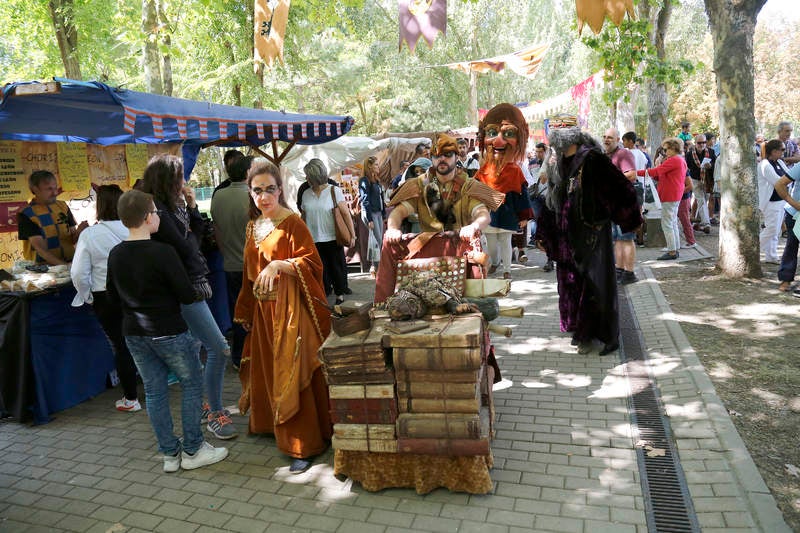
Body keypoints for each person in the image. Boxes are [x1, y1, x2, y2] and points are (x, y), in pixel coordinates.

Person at [106, 189, 229, 473]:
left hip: (134, 333)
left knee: (154, 391)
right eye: (157, 213)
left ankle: (169, 454)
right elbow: (186, 294)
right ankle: (194, 448)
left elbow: (111, 296)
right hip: (169, 331)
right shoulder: (163, 252)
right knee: (191, 385)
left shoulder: (116, 253)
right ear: (149, 218)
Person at [234, 159, 332, 473]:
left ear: (280, 190)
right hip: (264, 314)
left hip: (291, 312)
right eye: (257, 190)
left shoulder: (292, 222)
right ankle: (269, 424)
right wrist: (247, 307)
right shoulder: (252, 225)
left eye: (270, 190)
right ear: (250, 192)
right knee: (269, 370)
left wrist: (279, 265)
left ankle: (302, 443)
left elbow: (313, 264)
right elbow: (249, 275)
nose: (264, 197)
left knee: (292, 370)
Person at [140, 154, 237, 440]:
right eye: (181, 176)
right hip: (182, 292)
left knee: (197, 351)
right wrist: (192, 219)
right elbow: (187, 246)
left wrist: (192, 210)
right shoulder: (159, 211)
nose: (186, 181)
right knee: (219, 349)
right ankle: (214, 412)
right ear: (168, 180)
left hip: (189, 287)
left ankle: (208, 407)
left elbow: (194, 241)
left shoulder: (172, 207)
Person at [535, 113, 642, 356]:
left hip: (591, 234)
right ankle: (581, 331)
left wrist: (630, 219)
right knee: (571, 285)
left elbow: (621, 189)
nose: (557, 138)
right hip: (566, 236)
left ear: (572, 135)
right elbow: (553, 200)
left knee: (597, 287)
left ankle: (606, 337)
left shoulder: (592, 159)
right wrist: (544, 232)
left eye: (561, 133)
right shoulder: (558, 161)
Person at [378, 133, 505, 303]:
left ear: (456, 156)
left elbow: (482, 214)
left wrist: (473, 226)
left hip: (462, 253)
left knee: (470, 308)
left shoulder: (468, 186)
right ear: (431, 158)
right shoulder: (420, 184)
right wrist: (393, 228)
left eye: (447, 155)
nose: (442, 159)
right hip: (427, 257)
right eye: (437, 156)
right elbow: (398, 212)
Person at [70, 184, 140, 412]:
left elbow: (79, 273)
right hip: (138, 293)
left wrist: (87, 296)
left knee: (121, 346)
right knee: (142, 342)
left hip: (105, 296)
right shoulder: (136, 228)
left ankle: (131, 398)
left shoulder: (90, 234)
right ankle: (154, 386)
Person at [474, 103, 534, 280]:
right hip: (489, 213)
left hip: (508, 212)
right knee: (491, 244)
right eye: (492, 133)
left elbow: (522, 194)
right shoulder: (483, 170)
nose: (498, 141)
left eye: (508, 134)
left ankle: (507, 268)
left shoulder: (515, 170)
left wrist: (523, 216)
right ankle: (495, 262)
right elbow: (475, 194)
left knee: (506, 241)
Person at [210, 155, 254, 370]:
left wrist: (226, 252)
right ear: (248, 173)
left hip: (230, 264)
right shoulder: (253, 196)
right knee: (258, 312)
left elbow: (216, 231)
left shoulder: (218, 196)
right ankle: (257, 354)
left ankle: (239, 356)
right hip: (255, 266)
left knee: (238, 312)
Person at [300, 158, 355, 304]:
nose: (306, 179)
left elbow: (345, 213)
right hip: (313, 238)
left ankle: (339, 295)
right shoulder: (305, 194)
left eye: (308, 176)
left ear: (315, 176)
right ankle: (323, 294)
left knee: (336, 267)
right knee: (320, 270)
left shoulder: (334, 190)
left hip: (332, 237)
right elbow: (303, 217)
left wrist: (352, 234)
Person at [17, 170, 87, 265]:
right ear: (35, 189)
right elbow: (41, 250)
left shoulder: (63, 206)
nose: (55, 193)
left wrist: (80, 231)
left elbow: (72, 239)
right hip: (43, 270)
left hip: (69, 263)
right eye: (49, 189)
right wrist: (65, 266)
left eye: (55, 188)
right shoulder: (26, 214)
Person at [637, 138, 688, 260]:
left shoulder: (674, 160)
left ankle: (672, 251)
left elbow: (656, 171)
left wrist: (636, 173)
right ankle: (675, 248)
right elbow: (661, 174)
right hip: (674, 195)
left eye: (665, 149)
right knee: (672, 222)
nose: (664, 152)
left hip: (670, 195)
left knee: (667, 224)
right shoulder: (678, 160)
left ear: (673, 148)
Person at [603, 128, 638, 283]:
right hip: (613, 204)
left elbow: (632, 174)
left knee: (626, 238)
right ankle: (620, 269)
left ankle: (629, 273)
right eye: (604, 137)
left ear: (618, 139)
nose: (606, 139)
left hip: (625, 202)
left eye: (610, 137)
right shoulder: (606, 156)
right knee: (617, 239)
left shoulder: (624, 154)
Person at [758, 139, 789, 264]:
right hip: (770, 201)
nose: (783, 152)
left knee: (776, 230)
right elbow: (778, 181)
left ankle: (771, 256)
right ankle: (753, 250)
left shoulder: (780, 162)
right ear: (774, 151)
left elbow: (789, 175)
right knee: (772, 229)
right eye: (782, 150)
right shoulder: (764, 164)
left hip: (780, 200)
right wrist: (787, 180)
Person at [358, 156, 385, 277]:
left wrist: (384, 213)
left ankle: (375, 268)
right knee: (378, 241)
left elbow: (381, 198)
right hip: (371, 213)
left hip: (378, 212)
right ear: (369, 166)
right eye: (376, 165)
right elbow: (365, 200)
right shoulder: (364, 180)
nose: (378, 167)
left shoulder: (376, 179)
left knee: (377, 241)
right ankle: (379, 269)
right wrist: (369, 219)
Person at [686, 133, 716, 232]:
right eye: (699, 143)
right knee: (701, 200)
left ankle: (696, 223)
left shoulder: (711, 152)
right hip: (695, 180)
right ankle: (706, 224)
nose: (702, 144)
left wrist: (710, 165)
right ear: (695, 143)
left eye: (704, 142)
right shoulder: (689, 154)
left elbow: (715, 165)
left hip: (707, 181)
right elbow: (686, 168)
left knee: (703, 201)